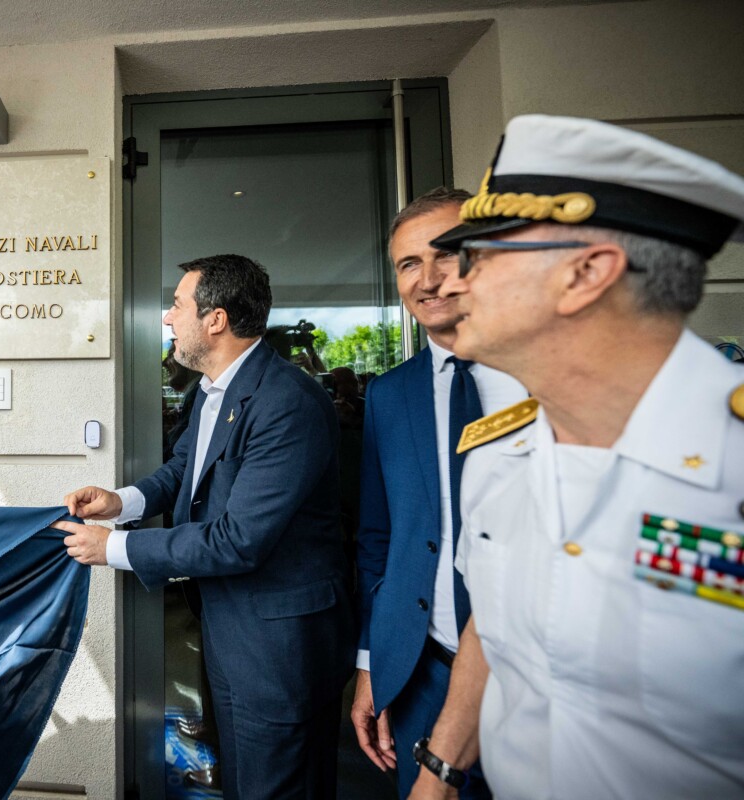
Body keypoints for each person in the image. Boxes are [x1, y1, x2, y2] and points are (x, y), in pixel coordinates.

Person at [407, 115, 744, 799]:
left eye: (483, 257)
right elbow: (492, 630)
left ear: (586, 273)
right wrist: (438, 776)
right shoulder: (496, 458)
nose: (454, 284)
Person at [54, 254, 354, 799]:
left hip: (280, 646)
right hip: (233, 630)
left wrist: (114, 548)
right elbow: (181, 470)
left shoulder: (288, 402)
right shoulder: (213, 389)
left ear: (215, 320)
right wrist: (118, 502)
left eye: (176, 305)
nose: (168, 319)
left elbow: (239, 539)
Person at [351, 188, 524, 799]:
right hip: (419, 671)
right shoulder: (388, 395)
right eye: (407, 264)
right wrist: (373, 662)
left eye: (445, 254)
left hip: (534, 680)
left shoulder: (547, 377)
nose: (428, 279)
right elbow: (379, 539)